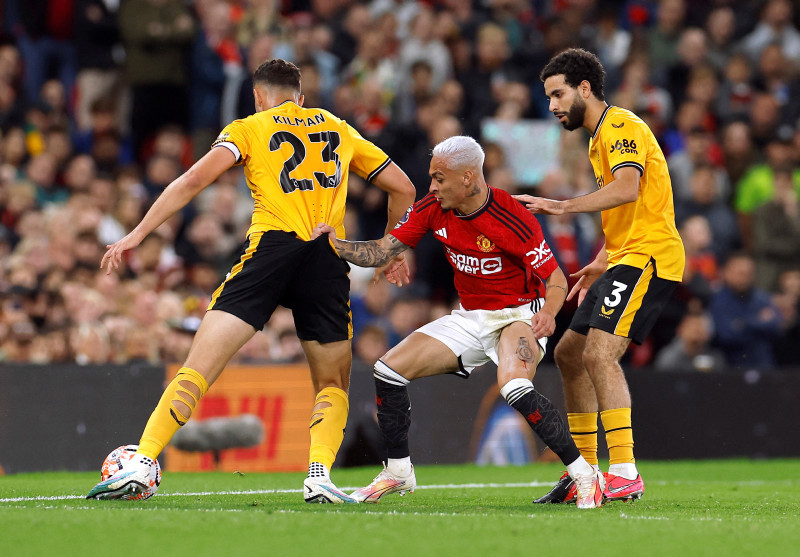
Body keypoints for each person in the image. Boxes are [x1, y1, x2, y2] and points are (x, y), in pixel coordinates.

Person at [86, 59, 416, 503]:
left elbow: (191, 180)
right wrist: (391, 251)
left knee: (198, 368)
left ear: (258, 96)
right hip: (325, 257)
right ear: (300, 97)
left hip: (271, 253)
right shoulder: (338, 127)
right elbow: (404, 188)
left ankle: (143, 462)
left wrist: (137, 233)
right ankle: (318, 476)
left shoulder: (250, 127)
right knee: (333, 384)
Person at [313, 135, 605, 509]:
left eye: (439, 178)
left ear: (468, 177)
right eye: (431, 177)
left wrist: (548, 312)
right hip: (470, 317)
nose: (431, 186)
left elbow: (557, 279)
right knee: (388, 371)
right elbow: (383, 250)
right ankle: (398, 472)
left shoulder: (512, 216)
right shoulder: (433, 207)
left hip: (519, 314)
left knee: (514, 385)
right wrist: (337, 245)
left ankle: (585, 475)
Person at [515, 49, 685, 503]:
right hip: (624, 255)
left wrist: (564, 204)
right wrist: (602, 258)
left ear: (584, 89)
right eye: (548, 96)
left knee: (599, 355)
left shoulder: (621, 126)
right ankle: (584, 472)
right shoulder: (596, 139)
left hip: (650, 257)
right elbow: (634, 204)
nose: (551, 105)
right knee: (570, 354)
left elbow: (628, 188)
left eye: (557, 94)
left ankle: (625, 471)